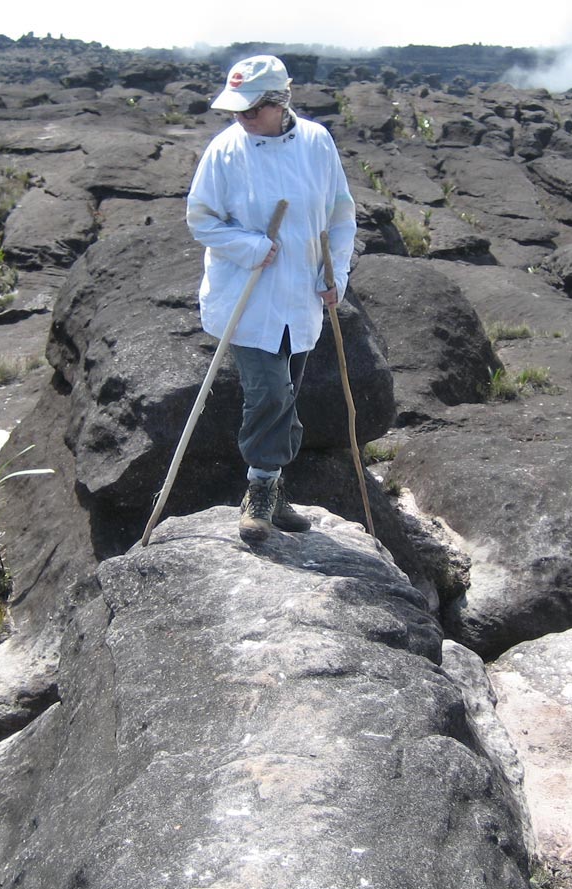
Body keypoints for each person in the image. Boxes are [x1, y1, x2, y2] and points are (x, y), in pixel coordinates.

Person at [186, 55, 356, 544]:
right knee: (270, 394)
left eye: (251, 109)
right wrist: (252, 247)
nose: (241, 118)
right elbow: (201, 219)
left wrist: (335, 273)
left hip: (301, 296)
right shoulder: (224, 152)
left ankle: (276, 488)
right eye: (236, 109)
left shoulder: (318, 143)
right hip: (248, 297)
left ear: (281, 101)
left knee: (289, 395)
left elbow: (340, 214)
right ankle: (259, 490)